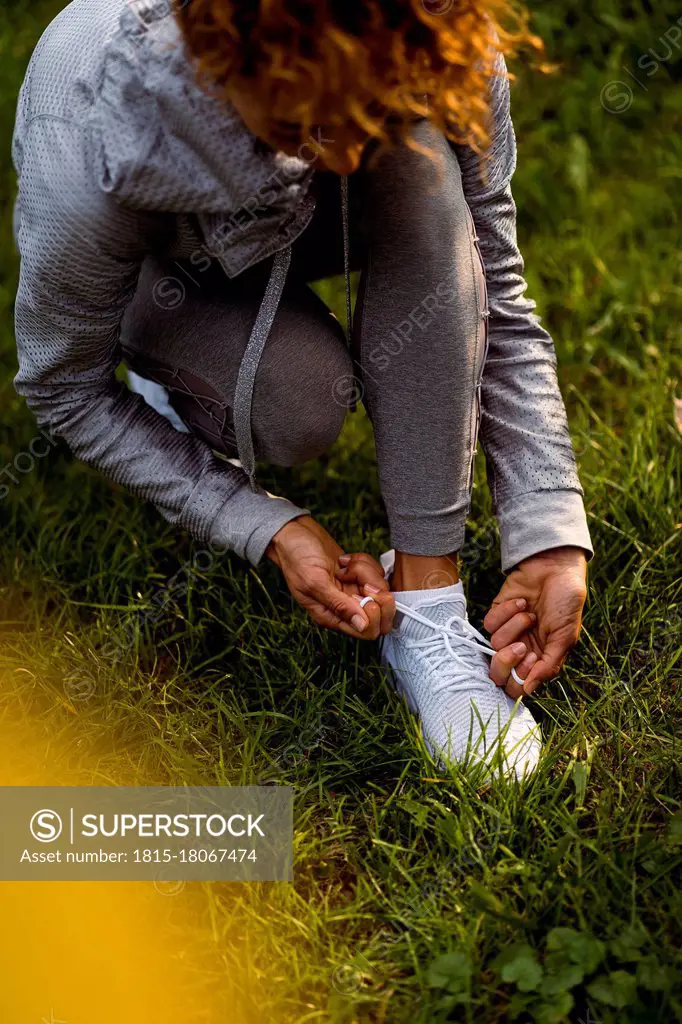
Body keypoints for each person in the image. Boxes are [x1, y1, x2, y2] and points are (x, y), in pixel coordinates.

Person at [12, 0, 592, 778]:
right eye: (305, 125)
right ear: (230, 65)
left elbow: (494, 286)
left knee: (419, 165)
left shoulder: (425, 36)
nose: (348, 157)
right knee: (301, 399)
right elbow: (65, 389)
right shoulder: (89, 144)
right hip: (162, 267)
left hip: (294, 210)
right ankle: (179, 383)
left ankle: (428, 606)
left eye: (367, 113)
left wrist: (548, 527)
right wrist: (263, 523)